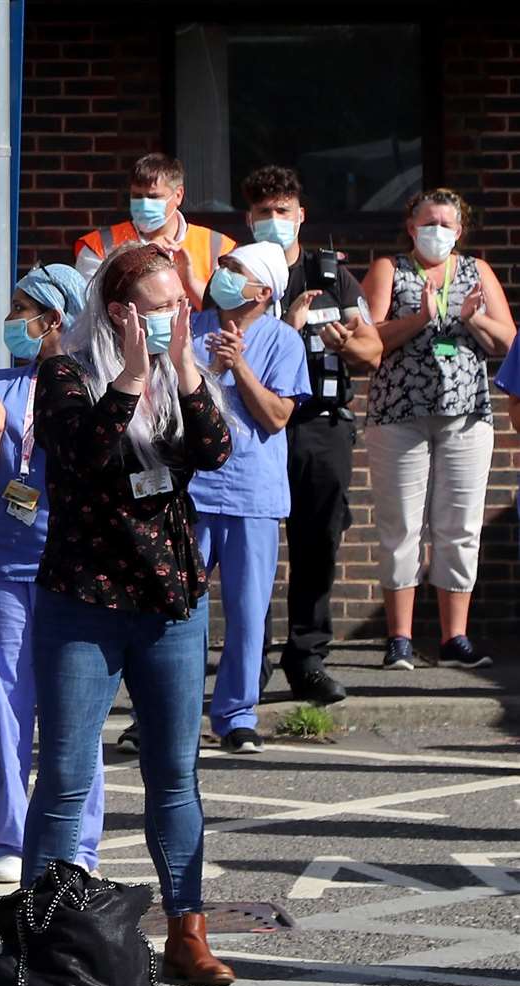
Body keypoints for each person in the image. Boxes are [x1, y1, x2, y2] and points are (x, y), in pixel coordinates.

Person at [21, 241, 236, 986]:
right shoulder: (65, 369)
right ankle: (43, 940)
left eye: (182, 303)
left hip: (169, 598)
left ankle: (187, 930)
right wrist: (131, 378)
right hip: (84, 600)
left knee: (174, 775)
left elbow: (214, 450)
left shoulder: (182, 375)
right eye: (159, 306)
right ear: (118, 311)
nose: (177, 316)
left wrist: (179, 369)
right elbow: (80, 454)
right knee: (67, 776)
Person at [0, 263, 104, 885]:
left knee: (77, 708)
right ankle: (12, 838)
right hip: (2, 564)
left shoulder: (94, 383)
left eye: (24, 309)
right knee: (8, 707)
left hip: (74, 565)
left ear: (57, 319)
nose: (14, 320)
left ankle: (78, 845)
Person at [243, 166, 383, 705]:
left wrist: (347, 342)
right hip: (255, 423)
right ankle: (248, 662)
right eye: (263, 212)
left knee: (318, 539)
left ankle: (306, 656)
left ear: (301, 215)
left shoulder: (330, 275)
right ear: (248, 218)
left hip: (319, 423)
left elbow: (371, 350)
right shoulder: (238, 274)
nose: (273, 221)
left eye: (283, 211)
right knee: (249, 548)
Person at [362, 189, 515, 671]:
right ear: (411, 226)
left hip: (466, 415)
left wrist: (474, 319)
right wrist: (420, 318)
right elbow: (367, 340)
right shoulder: (389, 269)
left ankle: (455, 638)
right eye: (428, 222)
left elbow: (509, 341)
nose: (437, 232)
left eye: (447, 224)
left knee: (460, 527)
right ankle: (400, 638)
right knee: (401, 526)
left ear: (460, 230)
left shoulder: (477, 272)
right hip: (398, 414)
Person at [186, 242, 309, 755]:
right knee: (176, 609)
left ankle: (236, 714)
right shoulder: (187, 330)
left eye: (234, 270)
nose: (221, 273)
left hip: (252, 494)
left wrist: (239, 367)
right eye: (223, 267)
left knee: (247, 610)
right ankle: (165, 712)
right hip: (190, 490)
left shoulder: (283, 341)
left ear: (262, 290)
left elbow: (278, 416)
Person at [73, 153, 236, 311]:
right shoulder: (100, 245)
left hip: (196, 337)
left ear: (178, 195)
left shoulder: (218, 245)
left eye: (153, 197)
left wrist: (189, 282)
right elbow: (89, 310)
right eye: (137, 196)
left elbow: (225, 314)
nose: (144, 204)